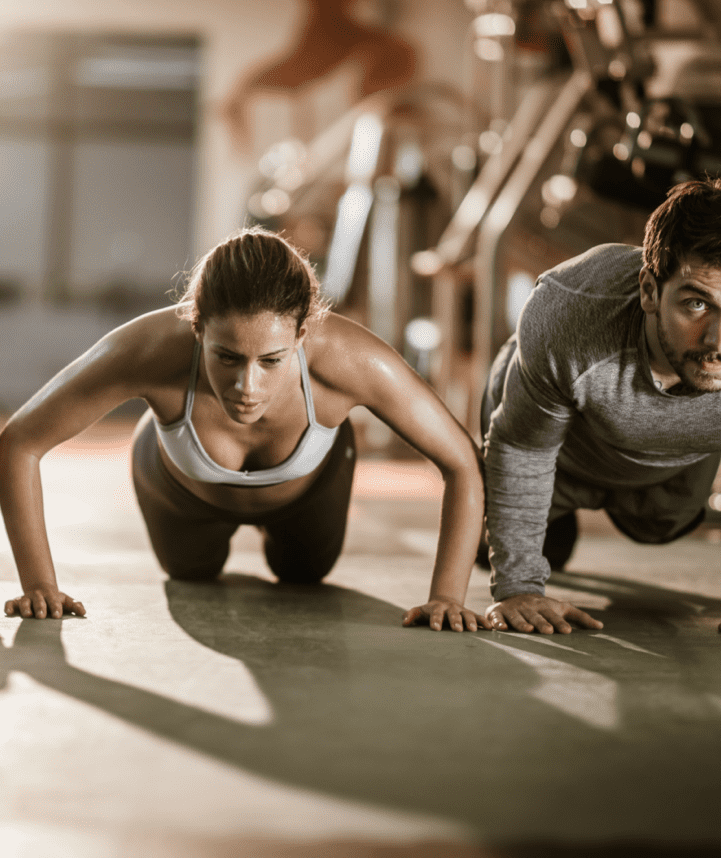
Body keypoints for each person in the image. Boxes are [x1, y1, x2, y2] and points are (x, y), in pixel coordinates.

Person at [1, 227, 486, 632]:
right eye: (227, 357)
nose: (246, 386)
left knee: (303, 575)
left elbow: (461, 460)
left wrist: (447, 594)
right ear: (197, 328)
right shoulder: (148, 349)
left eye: (271, 361)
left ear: (302, 334)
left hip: (310, 492)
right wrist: (39, 584)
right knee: (192, 572)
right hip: (180, 492)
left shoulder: (351, 361)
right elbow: (20, 442)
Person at [481, 175, 721, 640]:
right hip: (561, 455)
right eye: (697, 304)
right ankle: (547, 520)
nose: (720, 340)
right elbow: (522, 449)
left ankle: (638, 502)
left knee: (662, 525)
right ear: (650, 292)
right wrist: (516, 585)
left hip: (665, 474)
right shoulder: (567, 309)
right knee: (516, 545)